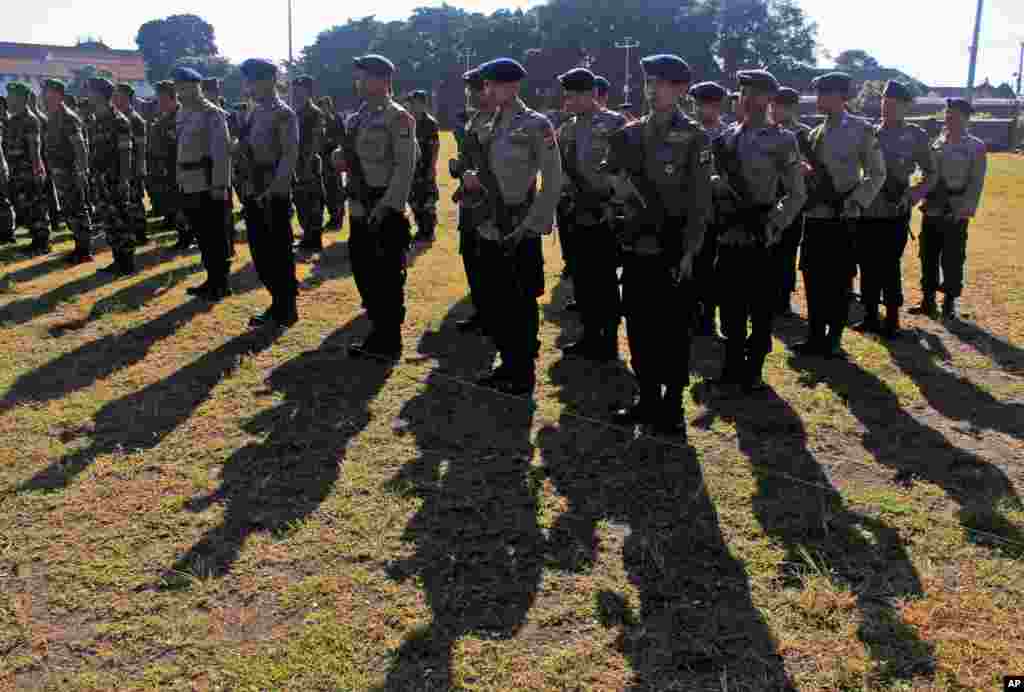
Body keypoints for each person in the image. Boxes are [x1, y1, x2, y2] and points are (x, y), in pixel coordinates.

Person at [603, 54, 712, 435]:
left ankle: (672, 402)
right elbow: (613, 186)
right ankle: (646, 395)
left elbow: (701, 201)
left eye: (661, 83)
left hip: (673, 248)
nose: (653, 90)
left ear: (681, 89)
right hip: (636, 246)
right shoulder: (630, 134)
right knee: (638, 323)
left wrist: (689, 251)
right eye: (649, 82)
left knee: (673, 328)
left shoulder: (695, 136)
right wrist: (617, 196)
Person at [460, 57, 562, 394]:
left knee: (520, 301)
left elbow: (552, 177)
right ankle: (507, 362)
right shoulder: (487, 124)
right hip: (489, 225)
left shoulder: (536, 124)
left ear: (512, 85)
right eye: (485, 85)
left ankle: (522, 371)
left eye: (492, 84)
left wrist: (535, 223)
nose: (486, 90)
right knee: (496, 299)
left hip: (520, 226)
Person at [710, 70, 806, 392]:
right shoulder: (725, 138)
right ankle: (733, 361)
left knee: (761, 305)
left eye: (754, 93)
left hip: (763, 234)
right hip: (728, 234)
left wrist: (775, 223)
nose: (746, 99)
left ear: (768, 99)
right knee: (729, 302)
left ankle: (755, 367)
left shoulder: (783, 139)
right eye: (743, 92)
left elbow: (796, 193)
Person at [793, 72, 886, 358]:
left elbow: (876, 173)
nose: (818, 98)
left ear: (841, 96)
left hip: (843, 217)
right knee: (812, 275)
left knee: (839, 279)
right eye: (818, 93)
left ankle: (833, 337)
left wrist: (856, 202)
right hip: (816, 217)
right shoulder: (814, 133)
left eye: (824, 93)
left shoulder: (861, 129)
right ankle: (814, 334)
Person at [332, 54, 416, 357]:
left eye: (366, 76)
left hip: (383, 206)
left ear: (384, 81)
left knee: (387, 276)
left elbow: (405, 166)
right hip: (358, 206)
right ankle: (378, 329)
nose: (360, 82)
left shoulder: (398, 117)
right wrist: (338, 159)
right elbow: (349, 157)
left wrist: (388, 205)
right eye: (359, 77)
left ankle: (388, 339)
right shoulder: (357, 118)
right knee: (364, 271)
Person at [556, 67, 626, 362]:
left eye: (572, 95)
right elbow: (559, 172)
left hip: (604, 213)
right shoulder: (567, 129)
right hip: (575, 213)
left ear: (588, 94)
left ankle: (607, 341)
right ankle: (588, 334)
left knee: (604, 281)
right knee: (582, 278)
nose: (567, 101)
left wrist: (613, 206)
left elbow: (626, 169)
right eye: (567, 95)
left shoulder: (615, 123)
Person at [855, 80, 936, 336]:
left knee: (889, 265)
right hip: (868, 209)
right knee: (867, 263)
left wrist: (913, 195)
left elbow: (931, 172)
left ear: (905, 107)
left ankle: (891, 319)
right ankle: (869, 315)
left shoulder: (915, 136)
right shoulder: (870, 132)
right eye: (884, 103)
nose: (886, 108)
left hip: (894, 211)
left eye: (892, 104)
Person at [910, 97, 988, 321]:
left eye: (954, 115)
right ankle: (928, 300)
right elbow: (924, 172)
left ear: (965, 118)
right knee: (928, 254)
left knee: (953, 257)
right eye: (947, 114)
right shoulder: (937, 142)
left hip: (955, 209)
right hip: (933, 207)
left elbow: (976, 182)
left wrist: (965, 209)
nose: (949, 118)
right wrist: (918, 193)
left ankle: (949, 302)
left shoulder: (975, 146)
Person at [238, 58, 300, 328]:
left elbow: (289, 156)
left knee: (278, 252)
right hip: (254, 187)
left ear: (268, 80)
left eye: (252, 80)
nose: (248, 86)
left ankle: (286, 308)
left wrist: (275, 191)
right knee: (260, 253)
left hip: (272, 191)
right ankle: (277, 302)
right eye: (247, 80)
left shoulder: (283, 113)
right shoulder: (255, 111)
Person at [174, 66, 233, 301]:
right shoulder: (183, 112)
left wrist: (220, 185)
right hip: (189, 181)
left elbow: (222, 153)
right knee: (201, 234)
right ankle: (211, 279)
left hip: (208, 183)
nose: (179, 90)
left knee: (215, 234)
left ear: (194, 86)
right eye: (178, 86)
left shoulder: (212, 113)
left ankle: (221, 283)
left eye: (183, 86)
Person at [450, 67, 491, 334]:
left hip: (489, 203)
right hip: (469, 200)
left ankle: (492, 313)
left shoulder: (498, 120)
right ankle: (481, 310)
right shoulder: (473, 120)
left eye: (472, 89)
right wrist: (458, 167)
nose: (468, 95)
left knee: (488, 260)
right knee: (472, 258)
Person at [689, 80, 730, 336]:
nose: (696, 110)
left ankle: (707, 318)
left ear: (715, 106)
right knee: (690, 266)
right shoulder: (687, 132)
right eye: (694, 104)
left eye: (700, 105)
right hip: (688, 212)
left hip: (717, 214)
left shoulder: (728, 135)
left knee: (712, 270)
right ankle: (691, 314)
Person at [768, 86, 812, 317]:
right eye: (772, 105)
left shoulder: (803, 134)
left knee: (786, 251)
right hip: (767, 197)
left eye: (780, 106)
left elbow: (811, 168)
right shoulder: (765, 130)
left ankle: (783, 298)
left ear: (792, 108)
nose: (774, 110)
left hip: (792, 198)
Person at [87, 77, 137, 275]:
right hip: (101, 180)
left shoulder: (119, 120)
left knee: (121, 220)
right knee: (109, 221)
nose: (87, 96)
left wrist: (125, 179)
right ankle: (118, 260)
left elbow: (126, 152)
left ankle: (127, 263)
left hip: (116, 179)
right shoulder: (95, 121)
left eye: (90, 92)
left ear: (99, 94)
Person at [41, 78, 94, 263]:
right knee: (68, 210)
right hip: (59, 173)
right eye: (44, 92)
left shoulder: (68, 117)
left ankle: (85, 250)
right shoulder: (52, 117)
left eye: (49, 93)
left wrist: (81, 172)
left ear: (59, 95)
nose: (45, 96)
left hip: (71, 172)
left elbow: (80, 148)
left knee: (78, 209)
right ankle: (79, 247)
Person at [5, 82, 51, 255]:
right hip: (17, 171)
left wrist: (38, 169)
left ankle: (43, 242)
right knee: (25, 206)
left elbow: (35, 146)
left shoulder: (30, 120)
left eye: (12, 96)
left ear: (21, 98)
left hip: (29, 170)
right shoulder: (12, 120)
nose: (8, 99)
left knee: (36, 206)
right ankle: (36, 239)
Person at [291, 75, 326, 254]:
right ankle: (307, 237)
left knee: (313, 203)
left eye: (300, 90)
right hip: (297, 164)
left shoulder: (315, 113)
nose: (296, 93)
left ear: (308, 92)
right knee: (301, 202)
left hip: (309, 165)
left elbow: (315, 142)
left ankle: (315, 240)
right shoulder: (294, 112)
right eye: (295, 90)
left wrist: (305, 165)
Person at [113, 83, 149, 245]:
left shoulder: (136, 120)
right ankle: (132, 230)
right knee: (127, 202)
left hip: (134, 166)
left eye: (118, 96)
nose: (115, 99)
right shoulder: (117, 117)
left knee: (135, 202)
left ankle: (141, 234)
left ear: (127, 97)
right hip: (123, 166)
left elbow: (141, 146)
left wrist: (141, 167)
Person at [407, 90, 440, 242]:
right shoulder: (410, 121)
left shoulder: (430, 123)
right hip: (413, 168)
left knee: (427, 200)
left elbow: (435, 146)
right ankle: (421, 229)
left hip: (425, 168)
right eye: (411, 102)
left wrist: (432, 167)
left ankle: (428, 231)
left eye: (414, 102)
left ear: (422, 103)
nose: (411, 105)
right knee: (414, 199)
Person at [319, 96, 346, 230]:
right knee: (328, 190)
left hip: (334, 159)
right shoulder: (321, 120)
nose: (324, 109)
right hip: (324, 159)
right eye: (322, 106)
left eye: (325, 106)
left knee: (336, 190)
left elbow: (342, 137)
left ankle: (338, 218)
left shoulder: (336, 119)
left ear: (330, 106)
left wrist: (331, 141)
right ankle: (333, 217)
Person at [0, 94, 14, 243]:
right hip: (5, 164)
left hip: (4, 166)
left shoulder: (9, 123)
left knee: (5, 201)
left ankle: (9, 232)